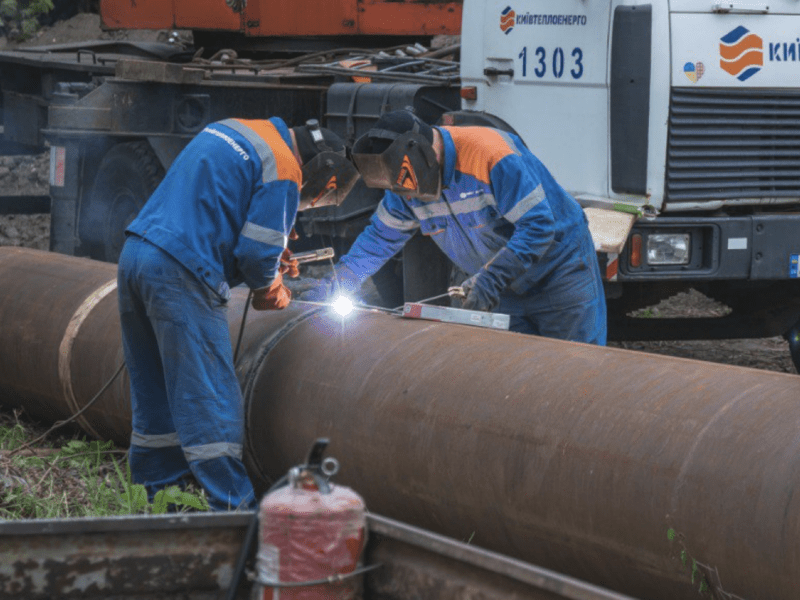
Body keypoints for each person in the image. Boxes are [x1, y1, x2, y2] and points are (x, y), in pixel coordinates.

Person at [117, 117, 358, 511]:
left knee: (154, 390)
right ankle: (232, 508)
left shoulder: (236, 129)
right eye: (309, 199)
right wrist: (272, 289)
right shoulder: (285, 167)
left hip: (137, 256)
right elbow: (256, 254)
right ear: (322, 173)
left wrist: (268, 255)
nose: (303, 203)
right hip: (181, 272)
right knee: (208, 394)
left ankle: (155, 498)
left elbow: (213, 208)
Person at [303, 109, 606, 345]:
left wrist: (490, 280)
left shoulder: (490, 155)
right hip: (504, 287)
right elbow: (380, 238)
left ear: (424, 156)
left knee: (575, 374)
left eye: (407, 189)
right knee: (517, 381)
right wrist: (340, 281)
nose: (407, 199)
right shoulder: (403, 184)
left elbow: (539, 226)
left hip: (559, 273)